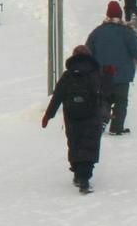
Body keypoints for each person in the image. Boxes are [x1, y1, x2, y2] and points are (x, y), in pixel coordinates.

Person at [41, 44, 110, 194]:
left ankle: (78, 174)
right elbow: (104, 95)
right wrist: (106, 115)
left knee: (75, 144)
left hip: (72, 117)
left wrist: (48, 115)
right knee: (90, 145)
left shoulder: (68, 75)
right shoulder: (96, 73)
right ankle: (85, 179)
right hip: (92, 116)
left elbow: (57, 96)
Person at [86, 2, 137, 135]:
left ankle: (102, 121)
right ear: (121, 15)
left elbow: (87, 51)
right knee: (120, 101)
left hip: (102, 74)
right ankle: (116, 127)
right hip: (122, 75)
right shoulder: (127, 32)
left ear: (107, 15)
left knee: (104, 99)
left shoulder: (97, 32)